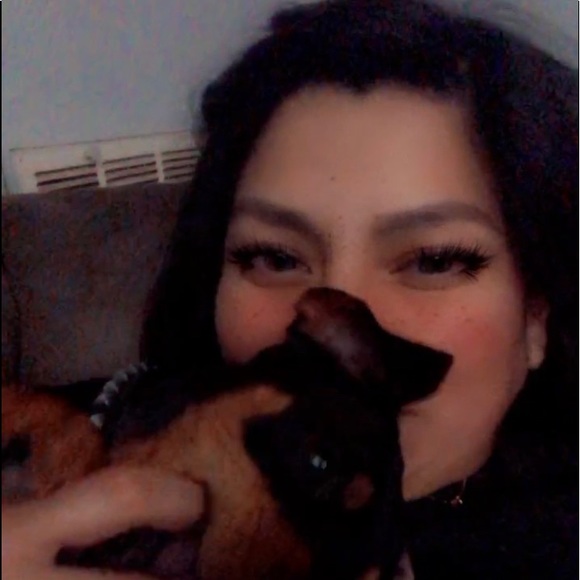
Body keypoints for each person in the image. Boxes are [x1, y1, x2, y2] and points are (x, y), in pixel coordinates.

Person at [3, 1, 577, 578]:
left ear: (536, 315)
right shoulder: (65, 427)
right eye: (274, 257)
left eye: (433, 261)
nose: (340, 317)